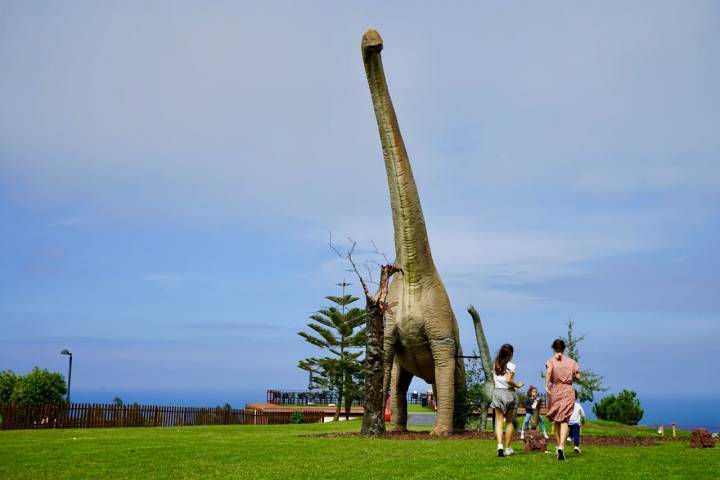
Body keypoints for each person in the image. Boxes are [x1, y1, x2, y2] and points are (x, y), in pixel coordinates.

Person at [545, 338, 580, 461]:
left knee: (556, 420)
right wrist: (571, 378)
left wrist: (545, 385)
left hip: (555, 390)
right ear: (564, 349)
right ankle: (561, 447)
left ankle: (558, 446)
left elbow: (549, 372)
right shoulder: (571, 362)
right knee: (565, 419)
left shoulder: (551, 361)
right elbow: (578, 376)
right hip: (568, 390)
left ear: (553, 348)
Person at [490, 343, 524, 457]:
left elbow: (494, 381)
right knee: (509, 422)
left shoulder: (495, 364)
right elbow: (509, 380)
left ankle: (499, 445)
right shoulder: (511, 366)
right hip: (508, 393)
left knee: (499, 422)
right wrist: (518, 385)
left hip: (497, 392)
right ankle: (508, 448)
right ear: (510, 354)